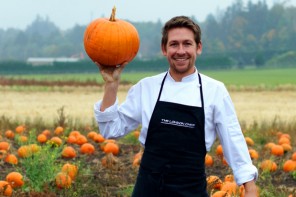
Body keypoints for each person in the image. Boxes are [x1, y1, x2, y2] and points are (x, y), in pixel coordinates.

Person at [94, 16, 258, 197]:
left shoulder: (215, 91)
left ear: (199, 47)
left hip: (191, 190)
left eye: (187, 44)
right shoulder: (146, 87)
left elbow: (233, 139)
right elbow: (110, 129)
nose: (181, 51)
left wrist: (249, 187)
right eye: (174, 44)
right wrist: (111, 84)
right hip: (148, 190)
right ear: (164, 49)